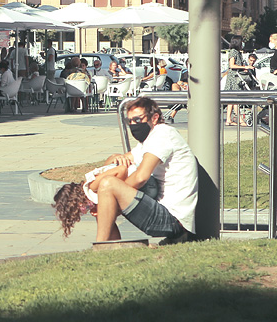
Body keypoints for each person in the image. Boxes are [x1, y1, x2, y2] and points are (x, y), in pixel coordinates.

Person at [52, 97, 196, 246]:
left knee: (108, 185)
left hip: (173, 220)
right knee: (104, 198)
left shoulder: (163, 136)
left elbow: (141, 177)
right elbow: (117, 162)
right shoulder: (149, 140)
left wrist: (112, 195)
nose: (133, 125)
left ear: (154, 118)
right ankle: (111, 247)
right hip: (160, 210)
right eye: (130, 121)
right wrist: (113, 159)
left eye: (138, 120)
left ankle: (100, 247)